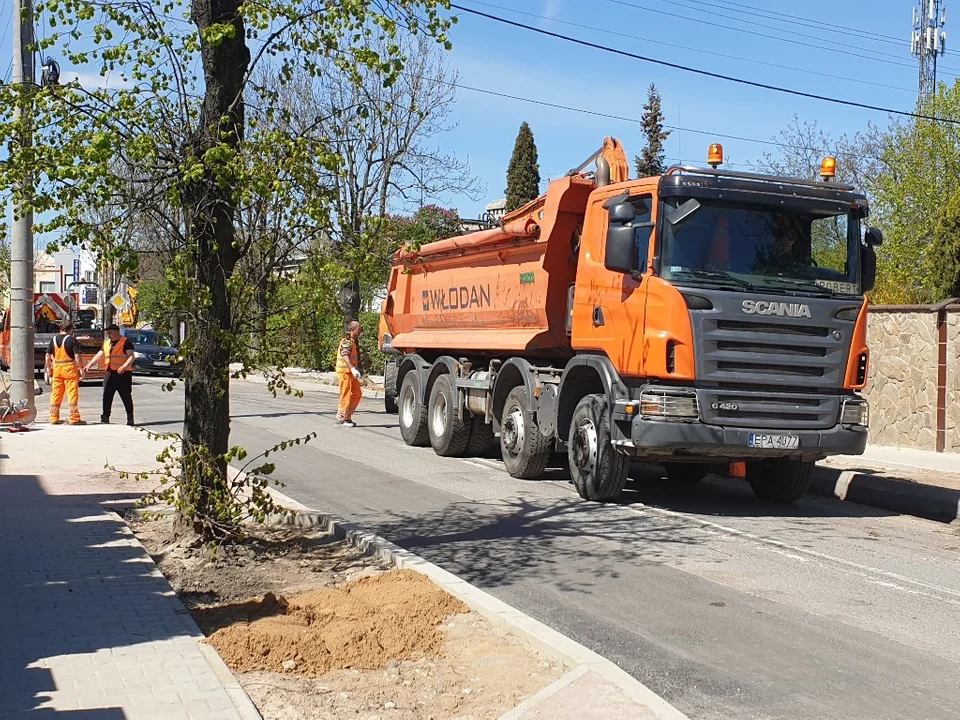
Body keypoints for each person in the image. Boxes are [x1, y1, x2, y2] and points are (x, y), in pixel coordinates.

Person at [84, 324, 135, 425]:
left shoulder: (126, 342)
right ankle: (105, 417)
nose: (109, 335)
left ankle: (130, 417)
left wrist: (124, 366)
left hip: (123, 374)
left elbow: (131, 357)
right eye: (107, 333)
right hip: (109, 372)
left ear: (117, 331)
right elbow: (99, 355)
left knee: (126, 396)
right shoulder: (107, 343)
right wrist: (89, 365)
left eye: (110, 332)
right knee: (107, 396)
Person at [45, 319, 85, 425]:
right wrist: (81, 368)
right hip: (69, 369)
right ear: (70, 329)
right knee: (72, 393)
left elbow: (48, 355)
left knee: (56, 393)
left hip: (57, 369)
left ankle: (54, 417)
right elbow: (77, 356)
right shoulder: (72, 340)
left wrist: (49, 368)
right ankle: (73, 418)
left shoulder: (53, 339)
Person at [335, 320, 363, 428]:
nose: (360, 331)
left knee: (357, 394)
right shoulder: (347, 340)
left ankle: (347, 416)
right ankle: (341, 418)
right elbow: (345, 354)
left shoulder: (352, 341)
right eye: (359, 329)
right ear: (353, 329)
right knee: (345, 395)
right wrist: (352, 368)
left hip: (350, 373)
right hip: (345, 372)